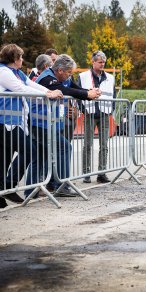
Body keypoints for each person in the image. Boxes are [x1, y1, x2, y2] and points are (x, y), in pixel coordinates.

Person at [26, 54, 101, 198]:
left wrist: (91, 92)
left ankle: (31, 191)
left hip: (48, 124)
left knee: (39, 157)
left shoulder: (63, 78)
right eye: (68, 73)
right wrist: (87, 94)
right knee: (65, 147)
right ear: (60, 70)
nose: (69, 76)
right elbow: (66, 91)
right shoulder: (48, 79)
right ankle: (62, 186)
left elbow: (75, 88)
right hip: (41, 124)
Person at [0, 44, 63, 208]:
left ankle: (4, 188)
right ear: (14, 59)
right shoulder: (4, 72)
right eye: (20, 57)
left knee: (4, 157)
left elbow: (30, 83)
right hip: (6, 122)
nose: (22, 60)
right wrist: (47, 93)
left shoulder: (16, 72)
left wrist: (48, 92)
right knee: (28, 151)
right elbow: (20, 88)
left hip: (13, 123)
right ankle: (8, 184)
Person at [78, 50, 115, 184]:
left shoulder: (110, 77)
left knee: (104, 145)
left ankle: (102, 173)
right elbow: (79, 94)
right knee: (88, 144)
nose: (102, 64)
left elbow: (113, 95)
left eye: (103, 62)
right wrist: (83, 110)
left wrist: (111, 110)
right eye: (99, 62)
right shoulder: (83, 76)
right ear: (93, 62)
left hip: (105, 113)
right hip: (90, 113)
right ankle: (86, 173)